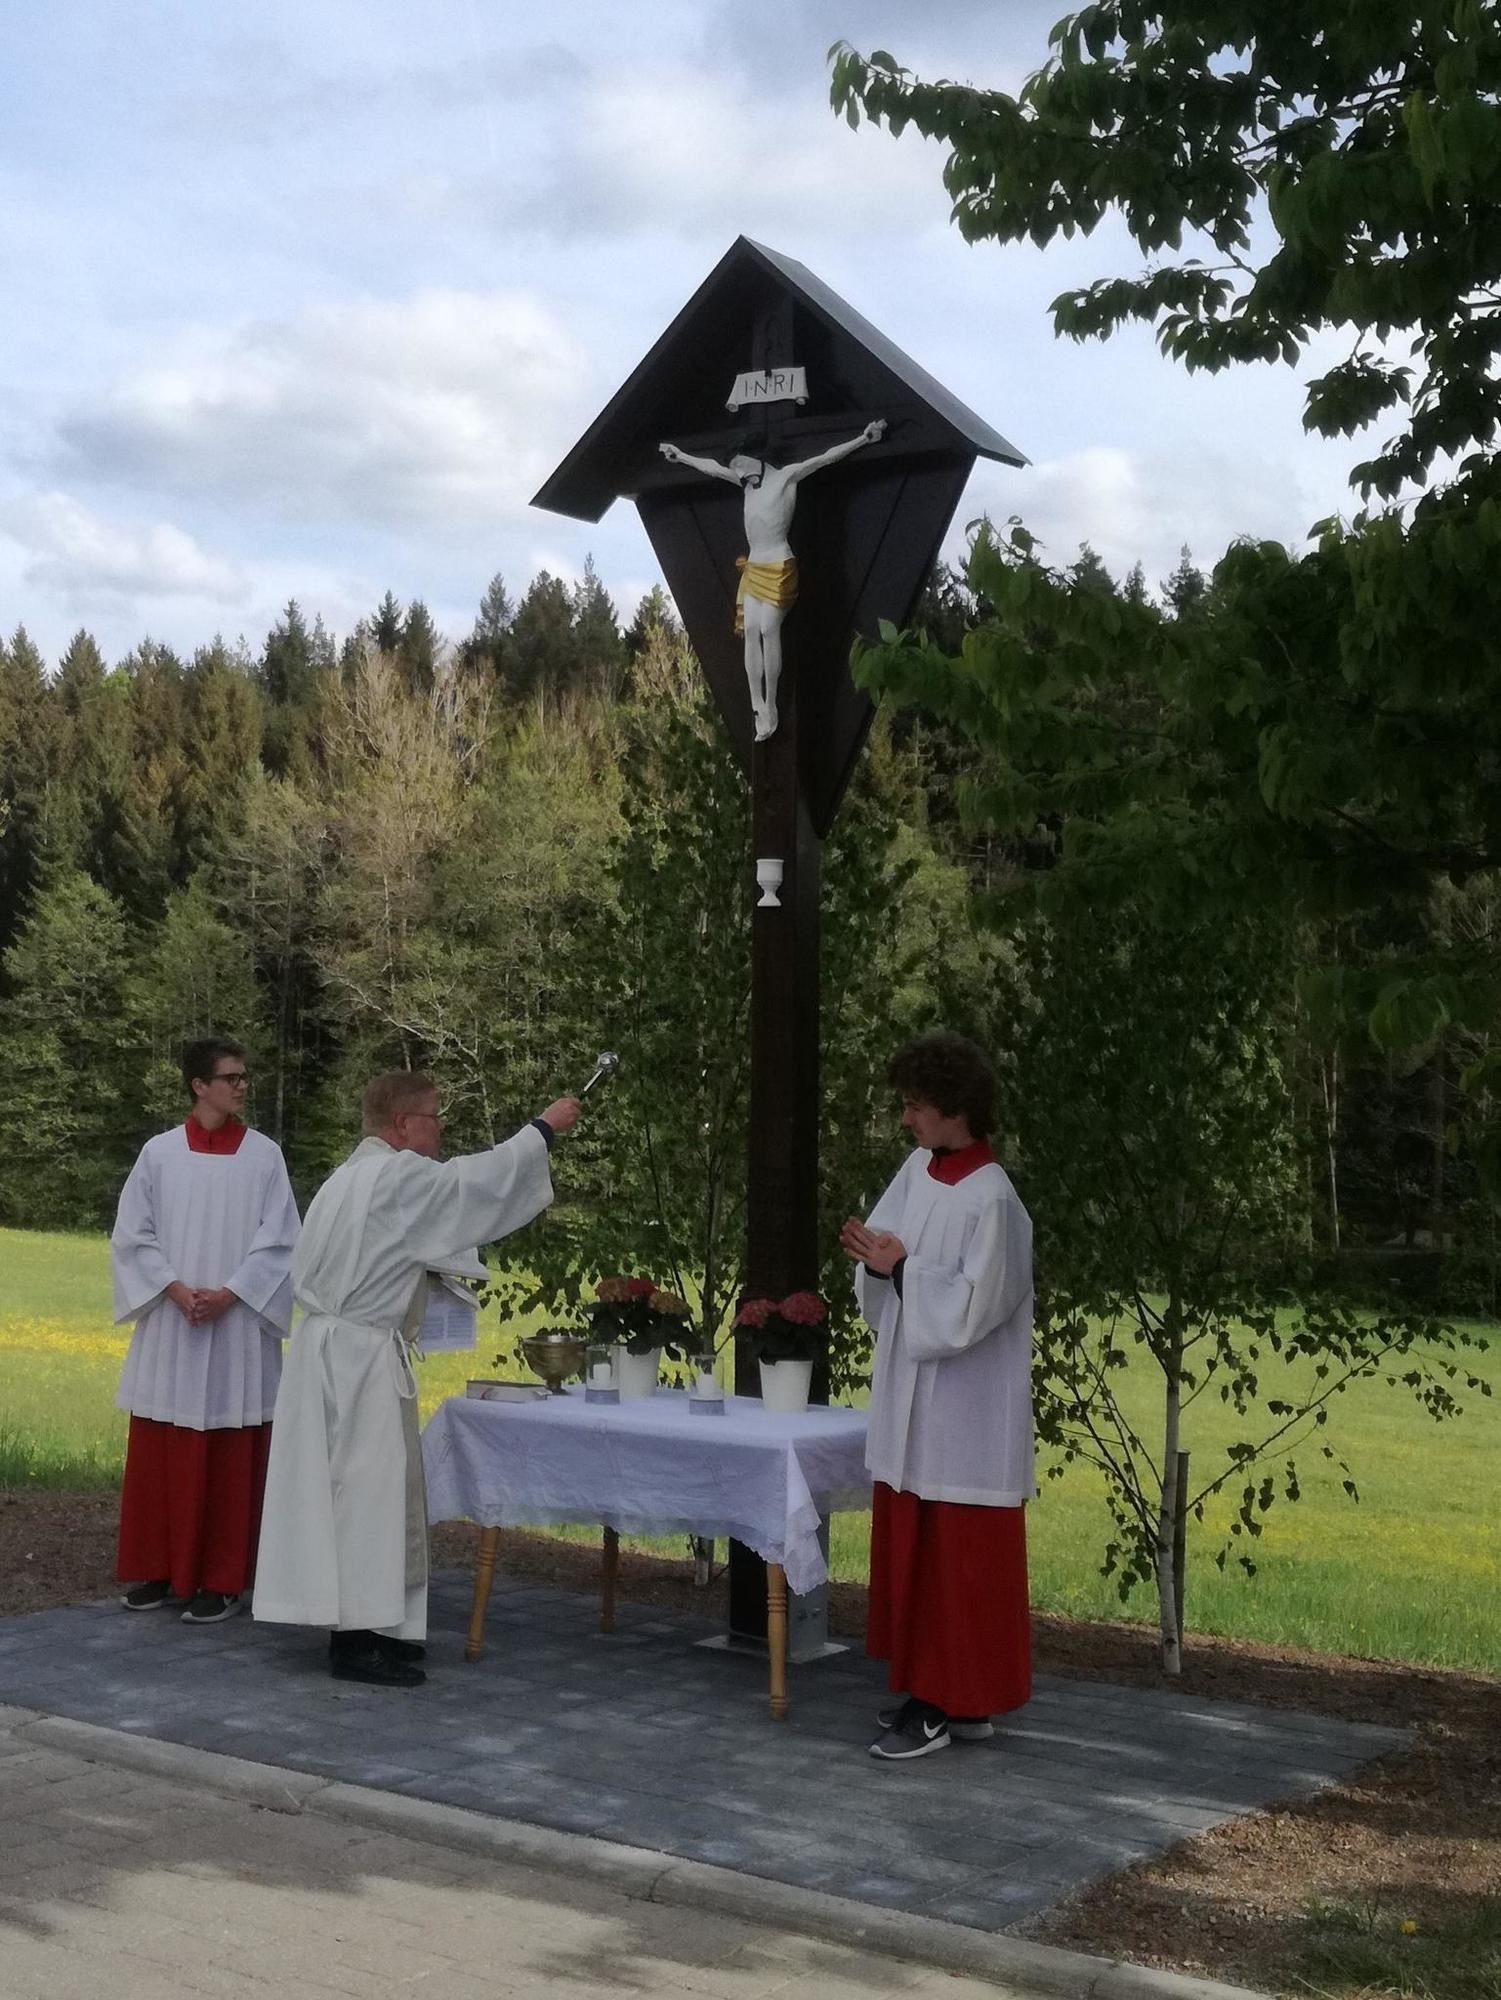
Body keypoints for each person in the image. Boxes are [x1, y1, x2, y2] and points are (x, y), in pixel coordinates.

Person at [253, 1072, 581, 1688]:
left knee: (367, 1494)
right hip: (356, 1360)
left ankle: (377, 1626)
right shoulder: (397, 1176)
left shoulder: (347, 1177)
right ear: (402, 1125)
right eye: (433, 1118)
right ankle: (354, 1641)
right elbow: (470, 1185)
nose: (441, 1130)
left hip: (339, 1351)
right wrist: (541, 1131)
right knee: (363, 1498)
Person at [840, 1033, 1034, 1761]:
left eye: (915, 1107)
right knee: (922, 1556)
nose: (905, 1120)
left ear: (955, 1110)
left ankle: (942, 1701)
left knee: (961, 1565)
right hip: (913, 1405)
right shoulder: (919, 1170)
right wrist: (874, 1257)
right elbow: (887, 1250)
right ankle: (945, 1697)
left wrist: (902, 1270)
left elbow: (977, 1305)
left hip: (965, 1417)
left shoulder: (994, 1200)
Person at [111, 1037, 300, 1625]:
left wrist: (231, 1293)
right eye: (231, 1077)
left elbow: (282, 1240)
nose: (242, 1086)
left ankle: (222, 1579)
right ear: (199, 1085)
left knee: (229, 1447)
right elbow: (132, 1234)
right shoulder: (160, 1154)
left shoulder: (265, 1156)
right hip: (174, 1322)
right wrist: (173, 1288)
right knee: (164, 1446)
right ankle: (161, 1569)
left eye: (244, 1076)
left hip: (237, 1325)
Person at [658, 419, 886, 741]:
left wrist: (863, 438)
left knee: (768, 627)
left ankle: (772, 704)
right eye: (734, 468)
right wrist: (680, 455)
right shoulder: (746, 484)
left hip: (779, 564)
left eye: (739, 464)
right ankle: (758, 707)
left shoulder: (785, 477)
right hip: (753, 566)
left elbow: (825, 458)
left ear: (753, 458)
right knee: (749, 630)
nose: (736, 472)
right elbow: (711, 469)